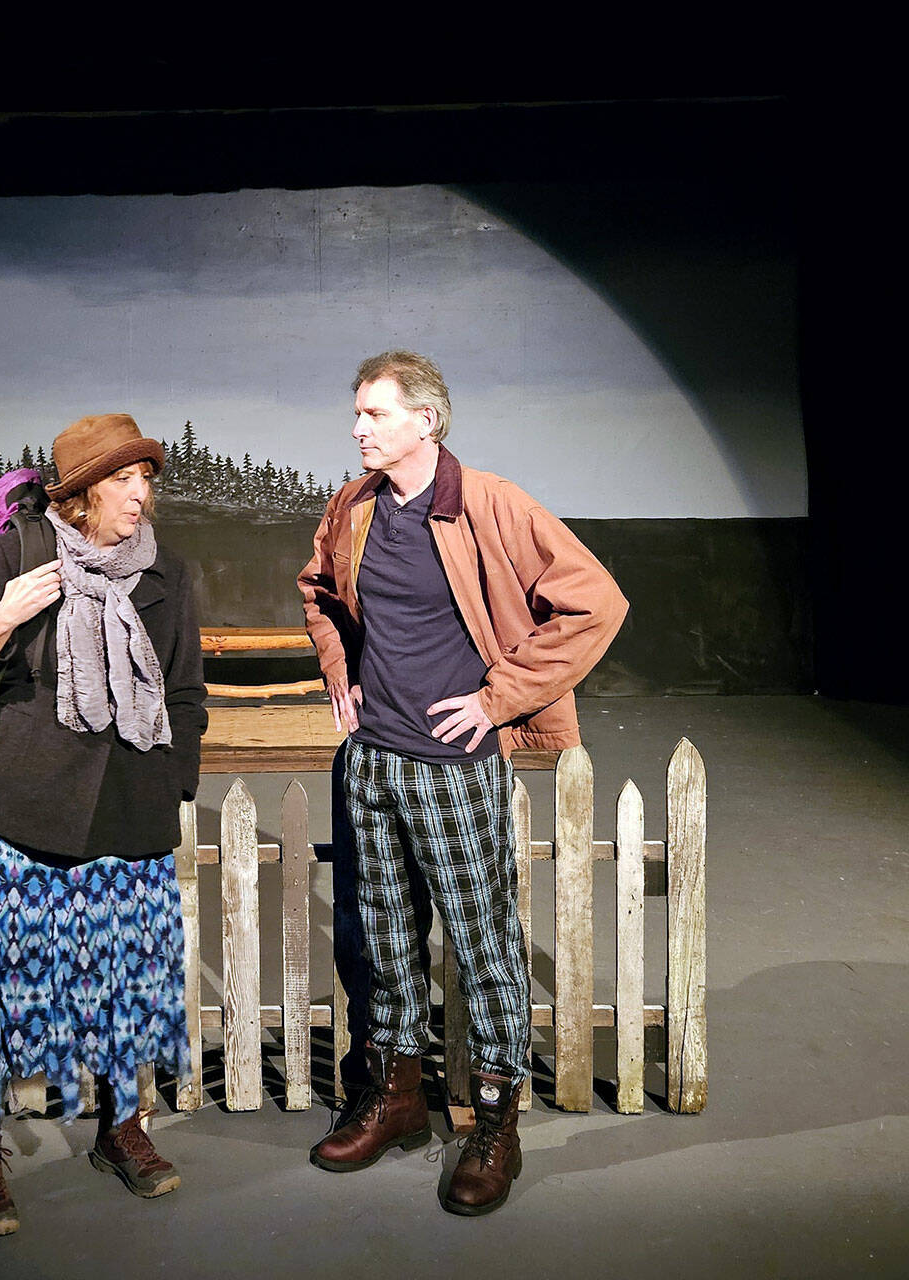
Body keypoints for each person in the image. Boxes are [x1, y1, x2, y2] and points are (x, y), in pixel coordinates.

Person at [298, 351, 628, 1216]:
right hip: (372, 757)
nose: (358, 428)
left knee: (483, 949)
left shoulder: (488, 503)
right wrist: (340, 668)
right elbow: (317, 590)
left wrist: (499, 698)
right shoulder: (354, 504)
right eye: (357, 413)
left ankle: (494, 1123)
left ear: (426, 421)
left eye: (374, 414)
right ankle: (399, 1098)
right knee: (385, 936)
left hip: (454, 766)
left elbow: (597, 603)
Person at [0, 413, 206, 1237]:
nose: (140, 494)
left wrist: (174, 784)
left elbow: (187, 694)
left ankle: (121, 1129)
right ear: (81, 495)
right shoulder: (18, 551)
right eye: (123, 480)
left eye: (146, 478)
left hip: (134, 808)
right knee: (11, 987)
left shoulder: (168, 570)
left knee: (129, 983)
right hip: (42, 807)